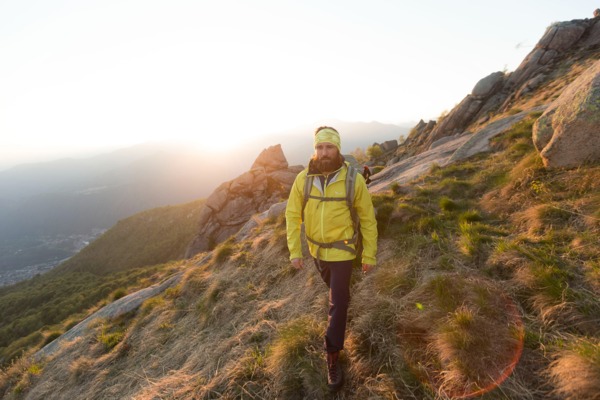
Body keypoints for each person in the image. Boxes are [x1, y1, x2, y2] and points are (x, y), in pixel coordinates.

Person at [285, 126, 378, 391]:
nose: (324, 152)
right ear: (314, 149)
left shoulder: (352, 180)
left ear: (338, 149)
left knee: (338, 302)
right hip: (317, 253)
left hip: (343, 251)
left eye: (329, 147)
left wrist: (369, 254)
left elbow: (368, 219)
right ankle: (342, 302)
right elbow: (292, 215)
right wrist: (295, 251)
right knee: (336, 294)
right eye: (319, 147)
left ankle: (332, 356)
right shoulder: (303, 179)